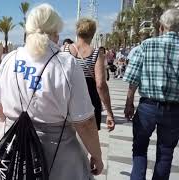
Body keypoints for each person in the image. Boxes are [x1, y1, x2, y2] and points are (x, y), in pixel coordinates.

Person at [0, 4, 103, 180]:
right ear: (55, 32)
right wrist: (96, 155)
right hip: (57, 154)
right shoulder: (67, 64)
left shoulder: (9, 59)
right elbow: (85, 122)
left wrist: (20, 125)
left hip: (12, 145)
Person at [123, 8, 179, 180]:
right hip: (174, 109)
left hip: (147, 106)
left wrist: (129, 102)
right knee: (166, 152)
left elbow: (133, 77)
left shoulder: (146, 45)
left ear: (162, 26)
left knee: (139, 147)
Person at [65, 18, 115, 131]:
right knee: (88, 142)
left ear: (77, 31)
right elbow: (100, 85)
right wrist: (109, 113)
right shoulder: (96, 53)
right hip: (89, 101)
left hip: (67, 101)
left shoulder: (64, 50)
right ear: (93, 33)